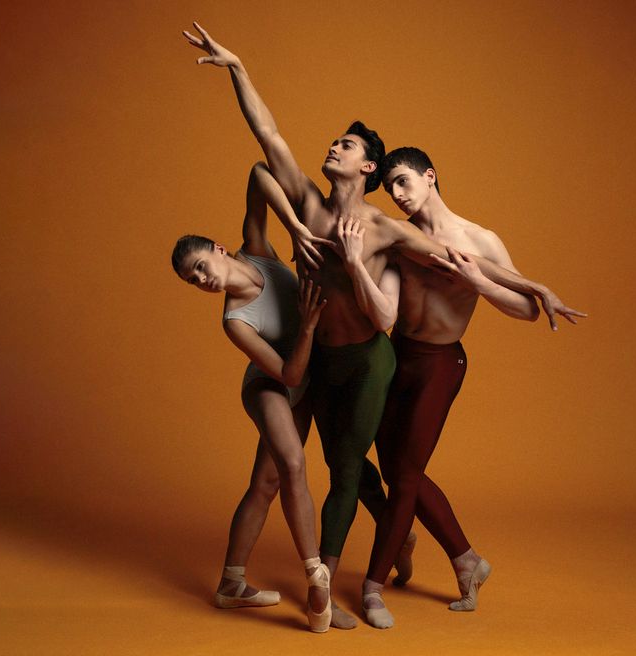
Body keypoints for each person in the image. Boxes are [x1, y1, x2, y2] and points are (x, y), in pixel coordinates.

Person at [183, 21, 579, 629]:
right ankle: (401, 541)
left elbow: (460, 263)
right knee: (350, 464)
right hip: (314, 359)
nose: (333, 148)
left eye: (347, 145)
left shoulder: (385, 228)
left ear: (367, 168)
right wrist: (238, 67)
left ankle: (344, 587)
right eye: (335, 142)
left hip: (370, 357)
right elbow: (266, 136)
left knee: (348, 465)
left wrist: (535, 286)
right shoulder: (307, 207)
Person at [344, 147, 587, 628]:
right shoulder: (402, 237)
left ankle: (372, 587)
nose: (396, 194)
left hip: (440, 363)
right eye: (390, 186)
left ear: (429, 177)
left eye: (404, 182)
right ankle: (467, 561)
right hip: (398, 357)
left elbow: (525, 309)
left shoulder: (479, 238)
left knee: (406, 476)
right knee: (395, 468)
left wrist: (479, 281)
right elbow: (385, 303)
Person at [171, 162, 332, 632]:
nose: (202, 280)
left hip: (298, 378)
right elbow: (288, 371)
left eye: (201, 267)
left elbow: (260, 172)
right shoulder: (235, 321)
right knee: (294, 464)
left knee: (264, 486)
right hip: (270, 386)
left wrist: (297, 228)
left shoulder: (258, 249)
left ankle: (230, 585)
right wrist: (306, 327)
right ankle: (315, 574)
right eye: (192, 281)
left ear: (220, 250)